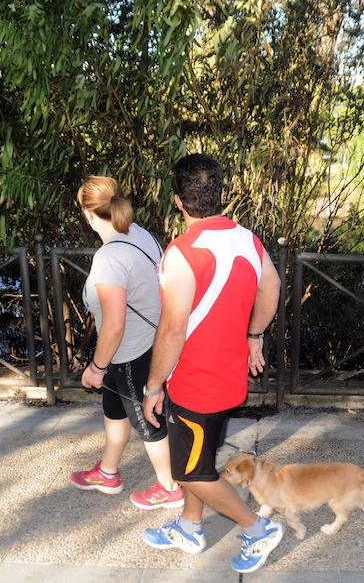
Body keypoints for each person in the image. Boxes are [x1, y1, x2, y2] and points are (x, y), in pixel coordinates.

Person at [140, 154, 283, 574]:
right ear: (220, 194)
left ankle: (257, 529)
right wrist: (254, 336)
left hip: (197, 387)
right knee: (197, 462)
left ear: (178, 202)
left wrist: (153, 386)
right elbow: (271, 285)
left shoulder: (183, 252)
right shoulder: (248, 239)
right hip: (229, 380)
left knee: (190, 473)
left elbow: (171, 331)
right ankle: (189, 526)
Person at [69, 175, 185, 511]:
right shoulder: (141, 235)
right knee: (115, 410)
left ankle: (169, 487)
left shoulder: (108, 258)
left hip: (129, 353)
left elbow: (114, 325)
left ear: (89, 215)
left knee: (146, 420)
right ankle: (107, 472)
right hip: (149, 342)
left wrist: (96, 367)